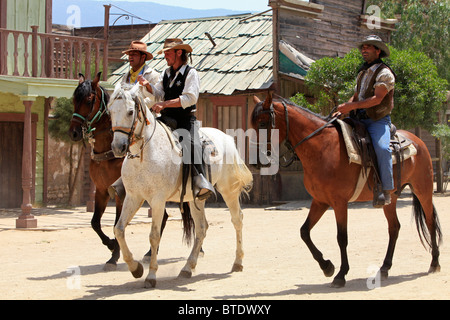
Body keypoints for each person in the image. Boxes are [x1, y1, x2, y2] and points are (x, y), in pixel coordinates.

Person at [138, 38, 215, 201]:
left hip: (185, 120)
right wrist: (148, 86)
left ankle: (200, 181)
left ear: (178, 52)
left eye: (168, 52)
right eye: (165, 52)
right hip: (166, 119)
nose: (165, 55)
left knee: (192, 144)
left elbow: (189, 98)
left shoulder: (191, 73)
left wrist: (164, 104)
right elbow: (158, 93)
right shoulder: (166, 73)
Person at [337, 35, 395, 207]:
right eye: (363, 47)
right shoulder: (362, 72)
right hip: (358, 118)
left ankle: (386, 189)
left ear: (378, 51)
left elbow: (377, 99)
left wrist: (351, 106)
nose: (364, 49)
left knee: (382, 148)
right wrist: (343, 109)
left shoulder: (385, 73)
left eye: (368, 47)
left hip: (377, 120)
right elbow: (357, 96)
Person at [109, 41, 160, 201]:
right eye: (129, 54)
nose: (130, 57)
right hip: (129, 119)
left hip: (149, 118)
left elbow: (155, 98)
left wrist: (138, 106)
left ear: (143, 57)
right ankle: (125, 180)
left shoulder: (153, 75)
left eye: (134, 54)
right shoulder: (124, 77)